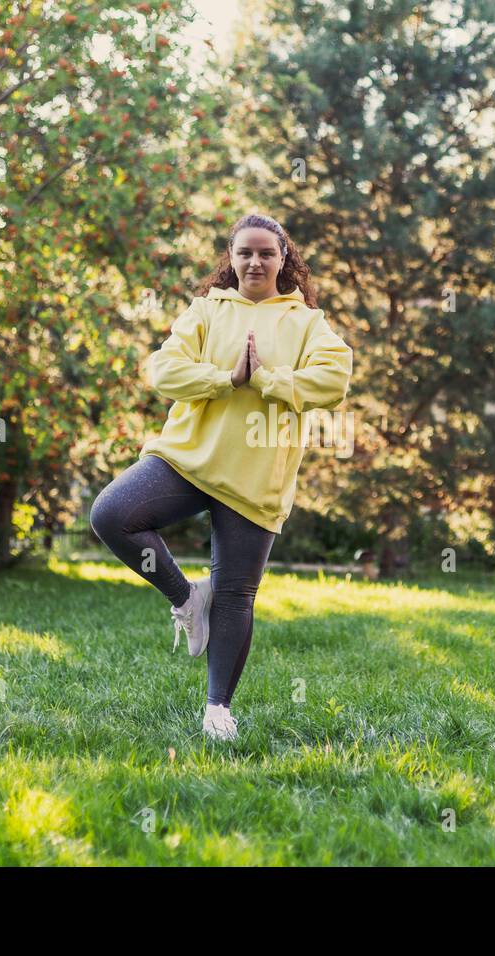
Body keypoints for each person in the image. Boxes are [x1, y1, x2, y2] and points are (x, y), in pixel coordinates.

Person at [89, 213, 354, 741]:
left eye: (266, 253)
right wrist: (225, 379)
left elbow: (333, 379)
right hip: (188, 457)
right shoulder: (207, 310)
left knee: (235, 593)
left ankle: (218, 713)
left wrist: (269, 380)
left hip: (257, 474)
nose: (255, 261)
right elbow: (164, 370)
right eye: (244, 253)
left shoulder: (306, 322)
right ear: (231, 260)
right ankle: (187, 599)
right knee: (112, 514)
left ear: (284, 259)